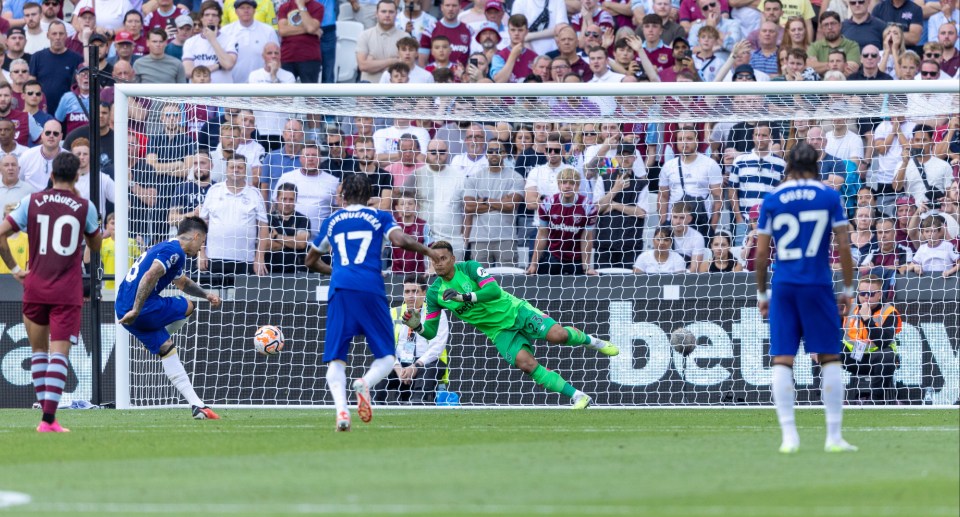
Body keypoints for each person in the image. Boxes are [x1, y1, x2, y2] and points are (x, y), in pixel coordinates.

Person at [400, 240, 619, 409]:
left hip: (516, 311)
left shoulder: (469, 267)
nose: (438, 263)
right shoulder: (434, 293)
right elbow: (430, 331)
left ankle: (594, 342)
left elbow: (493, 290)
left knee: (559, 335)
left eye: (442, 258)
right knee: (526, 364)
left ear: (453, 259)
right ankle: (578, 396)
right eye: (433, 260)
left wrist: (463, 297)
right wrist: (417, 325)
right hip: (499, 331)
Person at [304, 173, 439, 431]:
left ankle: (342, 413)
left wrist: (338, 271)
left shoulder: (333, 220)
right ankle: (364, 383)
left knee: (336, 360)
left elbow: (310, 261)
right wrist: (428, 251)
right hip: (370, 289)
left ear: (343, 195)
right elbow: (400, 240)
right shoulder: (379, 217)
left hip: (341, 290)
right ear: (370, 196)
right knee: (388, 358)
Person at [755, 141, 857, 454]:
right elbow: (843, 245)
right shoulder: (829, 196)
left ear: (788, 165)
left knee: (782, 358)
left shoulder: (773, 198)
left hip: (784, 285)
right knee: (829, 356)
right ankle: (834, 437)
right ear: (816, 165)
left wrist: (762, 293)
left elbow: (760, 254)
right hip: (817, 284)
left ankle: (789, 438)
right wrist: (849, 289)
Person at [0, 152, 101, 432]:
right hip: (66, 291)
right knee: (58, 354)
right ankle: (48, 420)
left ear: (52, 175)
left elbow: (1, 234)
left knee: (38, 352)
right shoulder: (85, 206)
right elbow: (94, 245)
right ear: (77, 175)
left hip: (34, 285)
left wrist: (14, 268)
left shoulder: (31, 201)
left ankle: (47, 417)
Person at [116, 216, 223, 420]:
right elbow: (149, 276)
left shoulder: (166, 249)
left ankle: (197, 405)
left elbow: (182, 283)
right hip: (139, 308)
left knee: (166, 347)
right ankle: (156, 332)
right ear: (196, 236)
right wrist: (137, 309)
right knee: (188, 306)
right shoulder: (174, 252)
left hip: (122, 308)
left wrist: (206, 294)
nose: (202, 247)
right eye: (202, 242)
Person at [376, 274, 450, 404]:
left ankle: (417, 403)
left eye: (415, 291)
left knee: (430, 369)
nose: (410, 295)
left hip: (425, 363)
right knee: (379, 371)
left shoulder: (436, 313)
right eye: (407, 291)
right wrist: (398, 368)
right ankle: (374, 404)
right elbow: (385, 345)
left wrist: (415, 366)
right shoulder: (394, 312)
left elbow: (437, 347)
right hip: (399, 364)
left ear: (424, 293)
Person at [841, 274, 901, 404]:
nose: (866, 297)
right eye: (863, 294)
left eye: (871, 294)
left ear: (879, 294)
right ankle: (821, 398)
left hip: (877, 360)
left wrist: (867, 319)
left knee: (887, 356)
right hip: (853, 357)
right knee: (822, 349)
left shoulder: (889, 311)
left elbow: (883, 342)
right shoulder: (848, 306)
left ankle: (876, 401)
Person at [463, 139, 524, 268]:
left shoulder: (516, 177)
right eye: (491, 151)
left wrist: (484, 200)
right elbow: (469, 207)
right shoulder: (474, 177)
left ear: (505, 154)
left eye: (498, 151)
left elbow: (510, 206)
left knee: (508, 282)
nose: (494, 154)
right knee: (479, 283)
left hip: (506, 238)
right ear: (486, 154)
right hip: (479, 239)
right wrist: (500, 201)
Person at [528, 168, 599, 276]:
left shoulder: (589, 207)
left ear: (578, 186)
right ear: (558, 184)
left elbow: (586, 238)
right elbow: (542, 235)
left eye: (572, 183)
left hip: (577, 259)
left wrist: (586, 267)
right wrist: (533, 264)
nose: (567, 186)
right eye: (564, 182)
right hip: (553, 256)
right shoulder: (547, 204)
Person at [266, 182, 310, 273]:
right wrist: (293, 242)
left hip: (296, 272)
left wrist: (276, 237)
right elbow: (267, 245)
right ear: (277, 199)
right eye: (284, 199)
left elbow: (301, 243)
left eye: (291, 199)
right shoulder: (267, 219)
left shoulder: (303, 219)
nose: (287, 203)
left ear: (295, 200)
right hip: (271, 271)